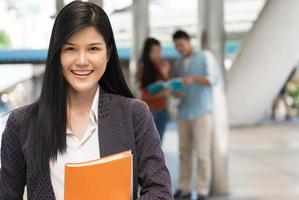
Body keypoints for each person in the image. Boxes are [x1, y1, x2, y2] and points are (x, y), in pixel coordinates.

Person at [0, 1, 173, 200]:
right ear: (57, 54)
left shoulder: (134, 115)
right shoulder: (21, 123)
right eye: (71, 49)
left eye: (93, 49)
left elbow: (160, 190)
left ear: (107, 54)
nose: (82, 61)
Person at [172, 30, 217, 200]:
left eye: (181, 44)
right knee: (184, 153)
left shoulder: (205, 57)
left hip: (202, 112)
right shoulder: (177, 63)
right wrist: (172, 90)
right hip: (184, 111)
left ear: (189, 41)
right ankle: (184, 188)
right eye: (176, 46)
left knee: (202, 154)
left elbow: (213, 79)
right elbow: (179, 89)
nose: (179, 48)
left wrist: (192, 78)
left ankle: (202, 190)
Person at [136, 37, 170, 141]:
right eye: (154, 51)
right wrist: (159, 95)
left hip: (162, 110)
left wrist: (165, 74)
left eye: (159, 51)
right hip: (148, 111)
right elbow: (142, 94)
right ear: (147, 53)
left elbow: (170, 86)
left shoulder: (164, 66)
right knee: (148, 144)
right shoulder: (142, 68)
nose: (157, 54)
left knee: (159, 143)